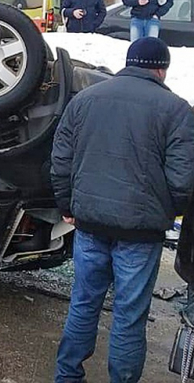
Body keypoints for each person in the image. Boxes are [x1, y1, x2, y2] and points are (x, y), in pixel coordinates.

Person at [51, 37, 194, 383]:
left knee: (83, 304)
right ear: (161, 69)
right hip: (141, 233)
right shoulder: (177, 110)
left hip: (89, 224)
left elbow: (60, 160)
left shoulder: (84, 100)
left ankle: (67, 376)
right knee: (129, 315)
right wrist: (165, 212)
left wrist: (67, 205)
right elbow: (183, 179)